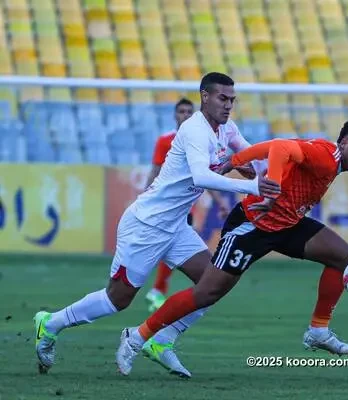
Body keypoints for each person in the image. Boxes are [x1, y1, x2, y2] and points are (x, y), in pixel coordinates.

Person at [33, 72, 279, 377]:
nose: (228, 105)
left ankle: (162, 340)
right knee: (117, 299)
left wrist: (271, 173)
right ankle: (51, 323)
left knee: (214, 284)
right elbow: (201, 176)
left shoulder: (226, 128)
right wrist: (255, 188)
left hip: (175, 227)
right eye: (222, 98)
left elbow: (250, 152)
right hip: (146, 225)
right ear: (205, 96)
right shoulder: (194, 130)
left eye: (232, 100)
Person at [115, 118, 348, 376]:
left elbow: (274, 145)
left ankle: (318, 330)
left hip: (287, 224)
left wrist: (234, 160)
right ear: (345, 142)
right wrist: (271, 189)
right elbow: (279, 147)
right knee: (207, 292)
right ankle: (137, 337)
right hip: (253, 225)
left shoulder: (325, 155)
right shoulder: (326, 157)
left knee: (344, 256)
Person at [145, 97, 230, 312]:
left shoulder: (199, 141)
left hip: (186, 208)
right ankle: (157, 290)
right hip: (164, 206)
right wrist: (146, 195)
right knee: (166, 247)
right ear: (175, 115)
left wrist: (219, 201)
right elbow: (155, 170)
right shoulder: (165, 141)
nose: (184, 115)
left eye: (188, 112)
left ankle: (158, 290)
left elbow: (202, 175)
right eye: (181, 111)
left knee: (171, 247)